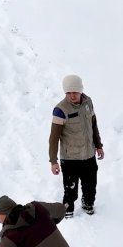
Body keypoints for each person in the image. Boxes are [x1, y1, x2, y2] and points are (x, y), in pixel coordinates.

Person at [49, 74, 105, 217]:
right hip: (70, 158)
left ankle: (88, 204)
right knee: (70, 189)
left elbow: (93, 125)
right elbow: (53, 138)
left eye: (74, 92)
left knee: (90, 186)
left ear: (80, 90)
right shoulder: (60, 110)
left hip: (88, 154)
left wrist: (98, 145)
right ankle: (68, 210)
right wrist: (53, 161)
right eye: (68, 92)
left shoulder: (88, 103)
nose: (72, 96)